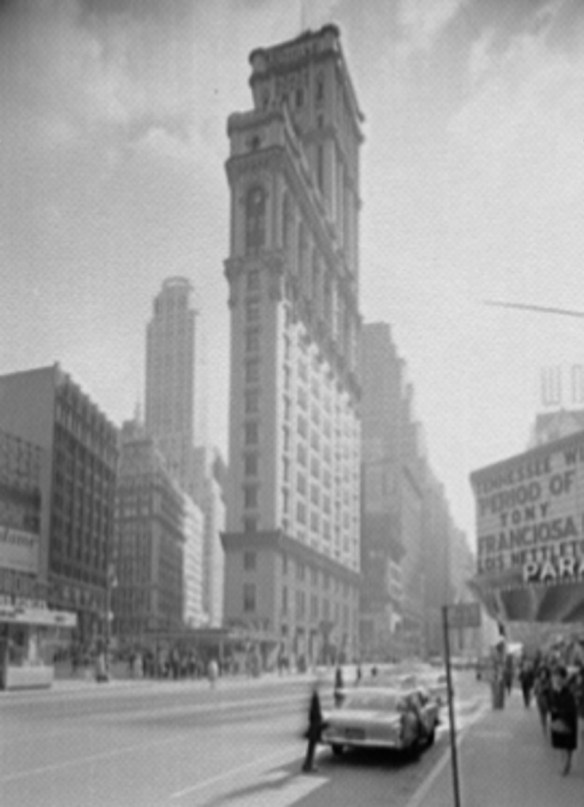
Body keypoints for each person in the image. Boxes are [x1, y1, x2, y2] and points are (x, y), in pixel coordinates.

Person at [549, 665, 578, 775]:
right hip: (557, 718)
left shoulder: (569, 690)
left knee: (568, 743)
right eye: (555, 676)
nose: (556, 678)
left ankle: (567, 762)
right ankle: (564, 763)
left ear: (563, 677)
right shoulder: (553, 689)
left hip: (568, 718)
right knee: (560, 742)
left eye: (558, 676)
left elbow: (572, 705)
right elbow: (550, 702)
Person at [302, 682, 325, 773]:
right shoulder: (315, 698)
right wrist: (320, 722)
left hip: (313, 726)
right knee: (311, 748)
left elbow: (312, 714)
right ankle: (309, 765)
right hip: (314, 727)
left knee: (311, 747)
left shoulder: (314, 698)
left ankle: (307, 764)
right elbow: (315, 713)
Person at [535, 664, 552, 737]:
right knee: (542, 715)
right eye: (542, 673)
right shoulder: (537, 681)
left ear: (547, 673)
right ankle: (544, 726)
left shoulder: (549, 681)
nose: (543, 675)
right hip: (540, 701)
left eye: (544, 673)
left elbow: (552, 690)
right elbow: (536, 691)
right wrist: (539, 690)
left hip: (549, 700)